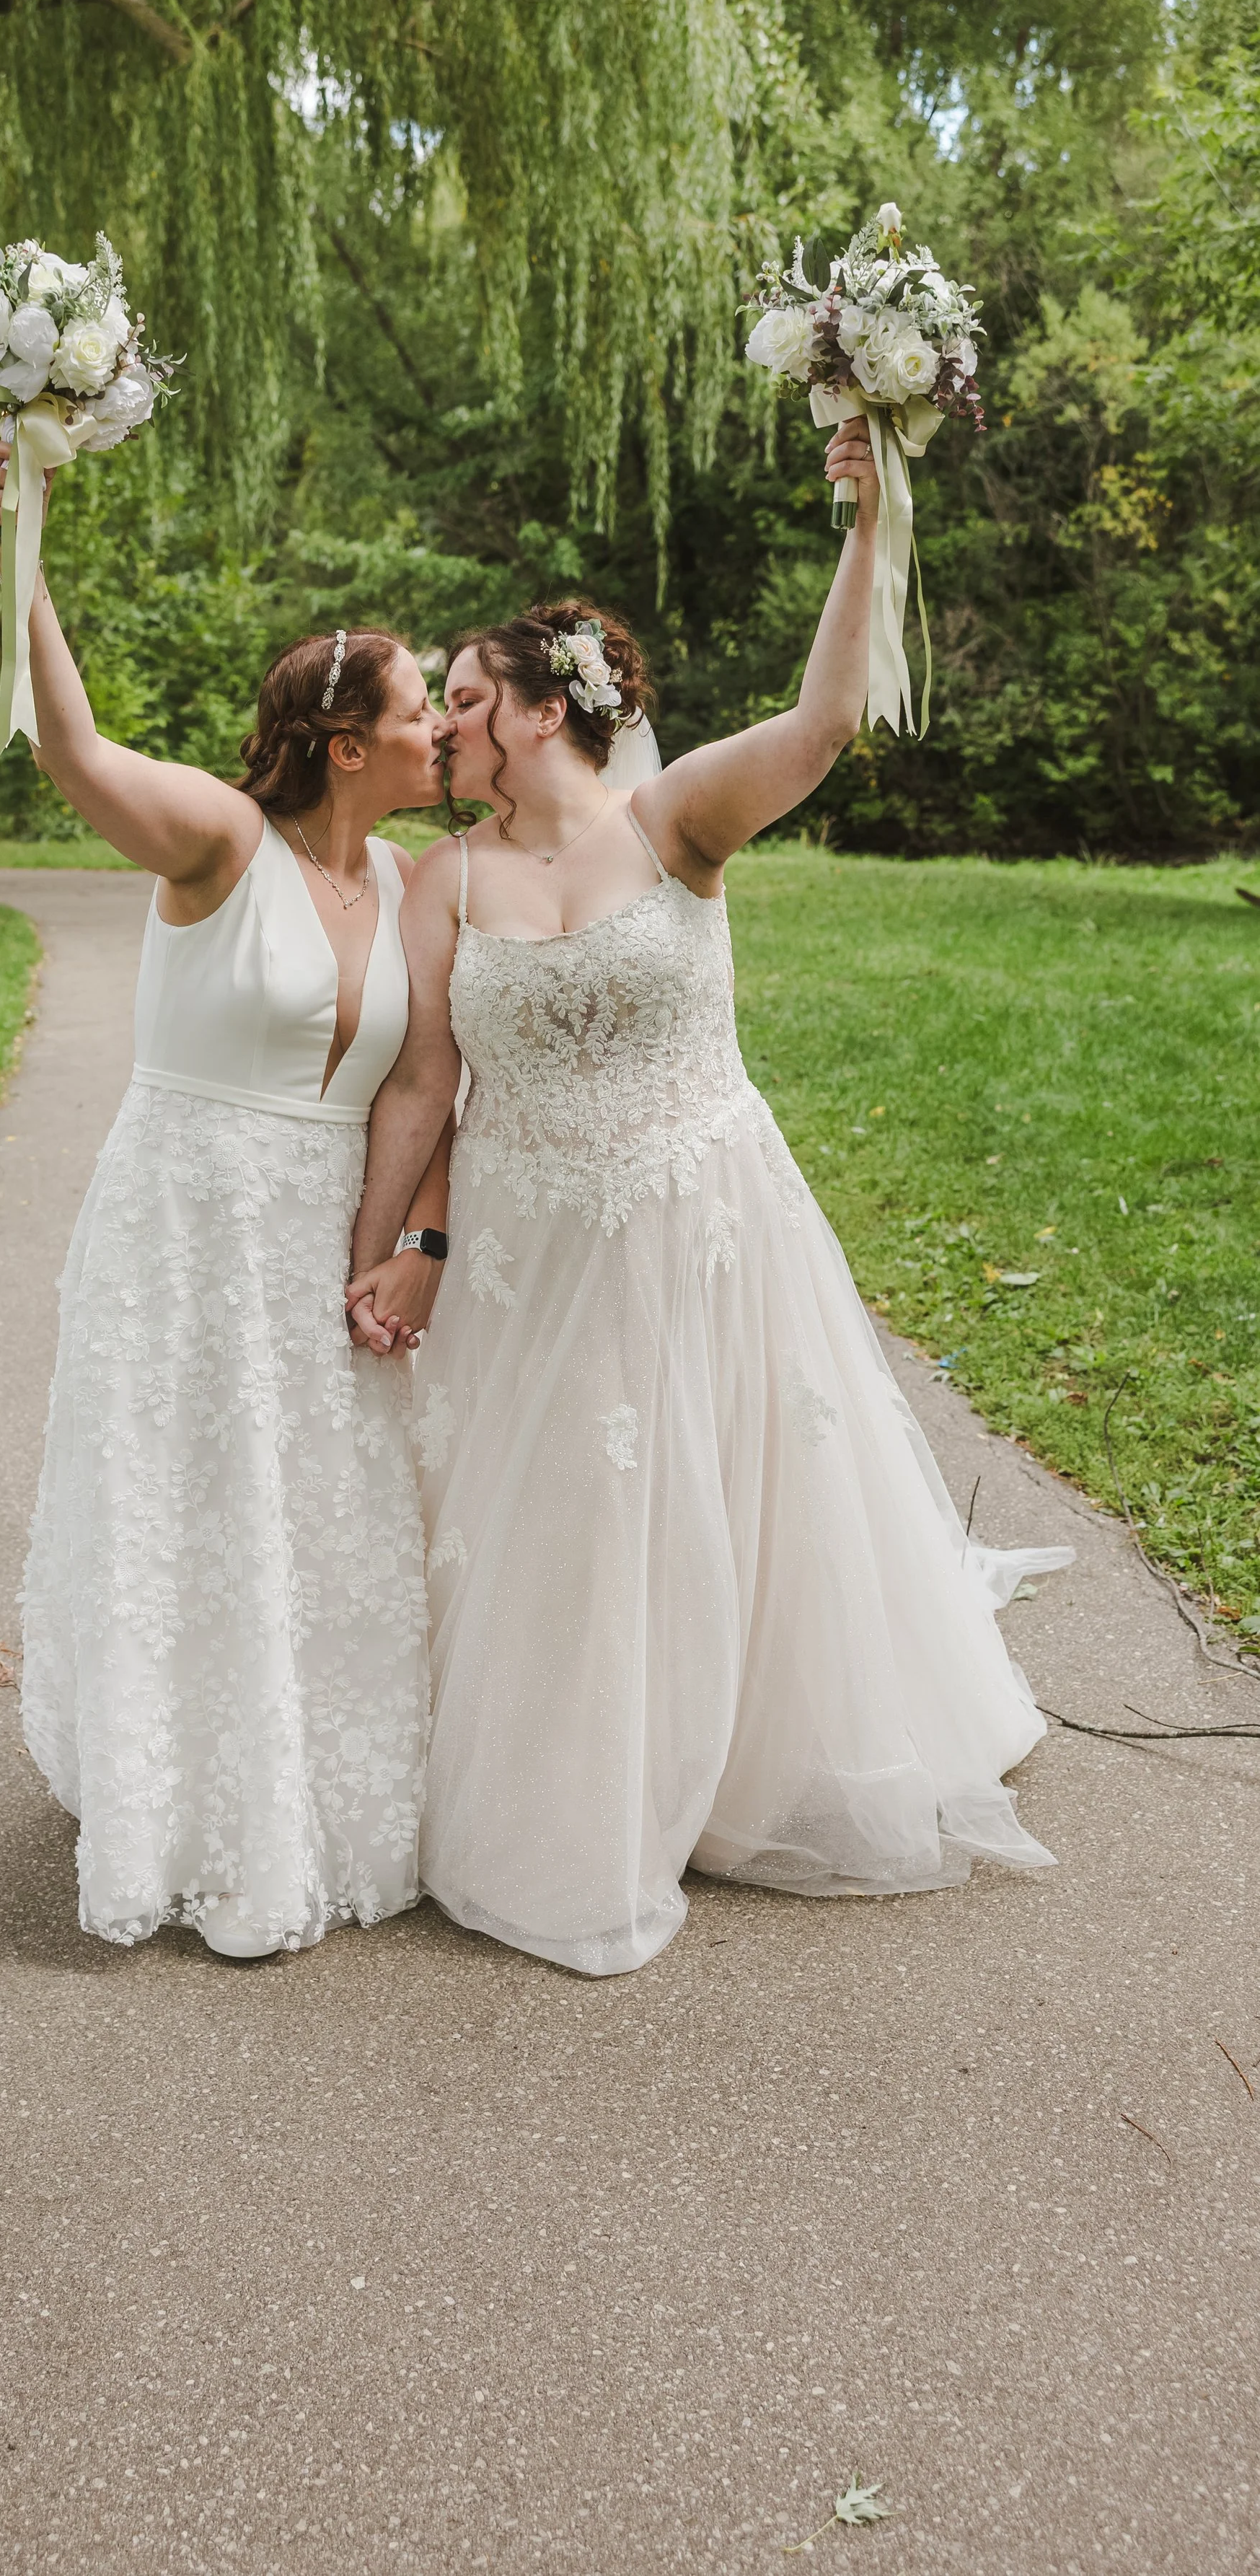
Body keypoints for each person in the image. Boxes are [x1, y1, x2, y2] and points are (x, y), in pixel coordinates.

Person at [345, 420, 1072, 1977]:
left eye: (467, 705)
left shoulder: (675, 828)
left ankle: (736, 1772)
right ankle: (568, 1778)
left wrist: (869, 520)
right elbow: (421, 1086)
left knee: (715, 1492)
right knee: (558, 1522)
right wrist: (383, 1253)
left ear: (545, 714)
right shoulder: (443, 878)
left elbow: (819, 719)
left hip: (697, 1217)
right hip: (530, 1250)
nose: (445, 732)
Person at [0, 444, 449, 1959]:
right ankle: (172, 1794)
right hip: (182, 1221)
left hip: (322, 1230)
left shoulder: (408, 881)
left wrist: (403, 1246)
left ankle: (312, 1790)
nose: (438, 726)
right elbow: (77, 752)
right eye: (419, 707)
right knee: (183, 1497)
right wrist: (18, 566)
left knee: (318, 1511)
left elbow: (426, 1088)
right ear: (342, 739)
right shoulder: (216, 842)